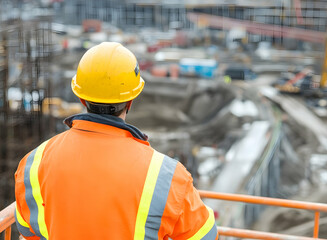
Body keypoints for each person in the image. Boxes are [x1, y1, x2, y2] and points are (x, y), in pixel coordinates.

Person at [14, 42, 218, 240]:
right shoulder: (166, 176)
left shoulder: (33, 163)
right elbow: (206, 235)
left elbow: (27, 230)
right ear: (130, 101)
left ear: (82, 99)